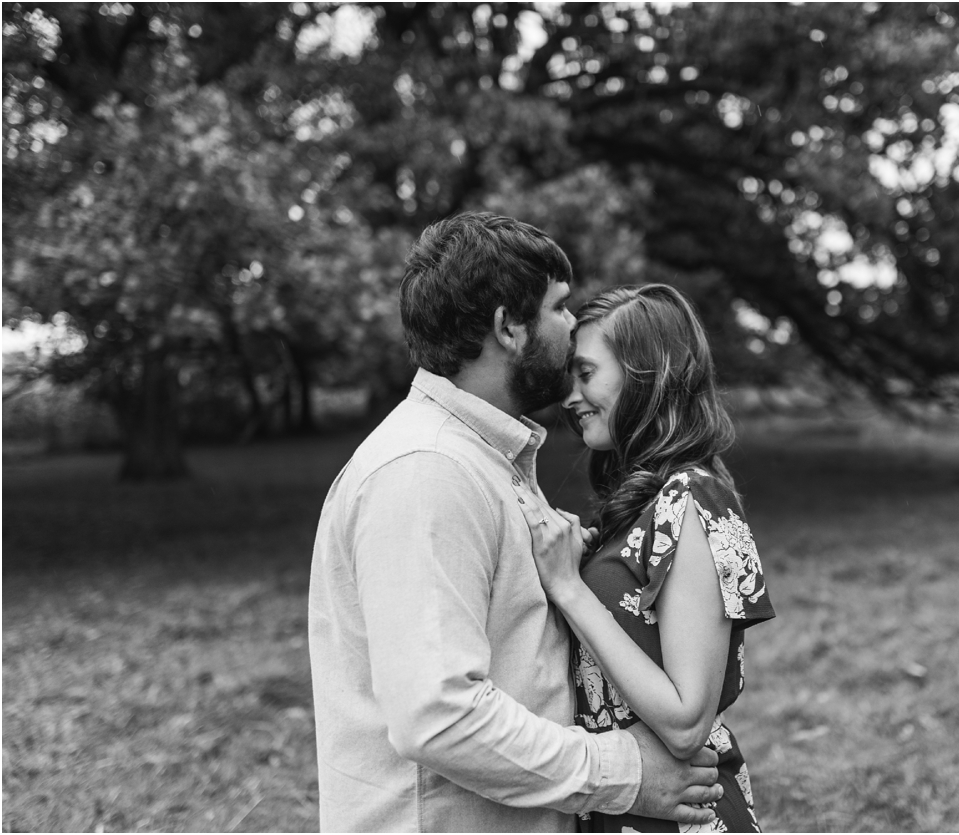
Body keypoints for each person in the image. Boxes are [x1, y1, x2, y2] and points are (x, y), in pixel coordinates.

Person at [308, 213, 724, 831]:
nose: (571, 324)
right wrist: (624, 774)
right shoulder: (427, 472)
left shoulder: (481, 460)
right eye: (559, 308)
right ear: (508, 325)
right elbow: (440, 716)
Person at [531, 283, 776, 832]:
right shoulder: (645, 503)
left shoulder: (692, 499)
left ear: (647, 373)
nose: (570, 396)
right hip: (628, 804)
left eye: (586, 373)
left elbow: (687, 721)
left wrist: (569, 586)